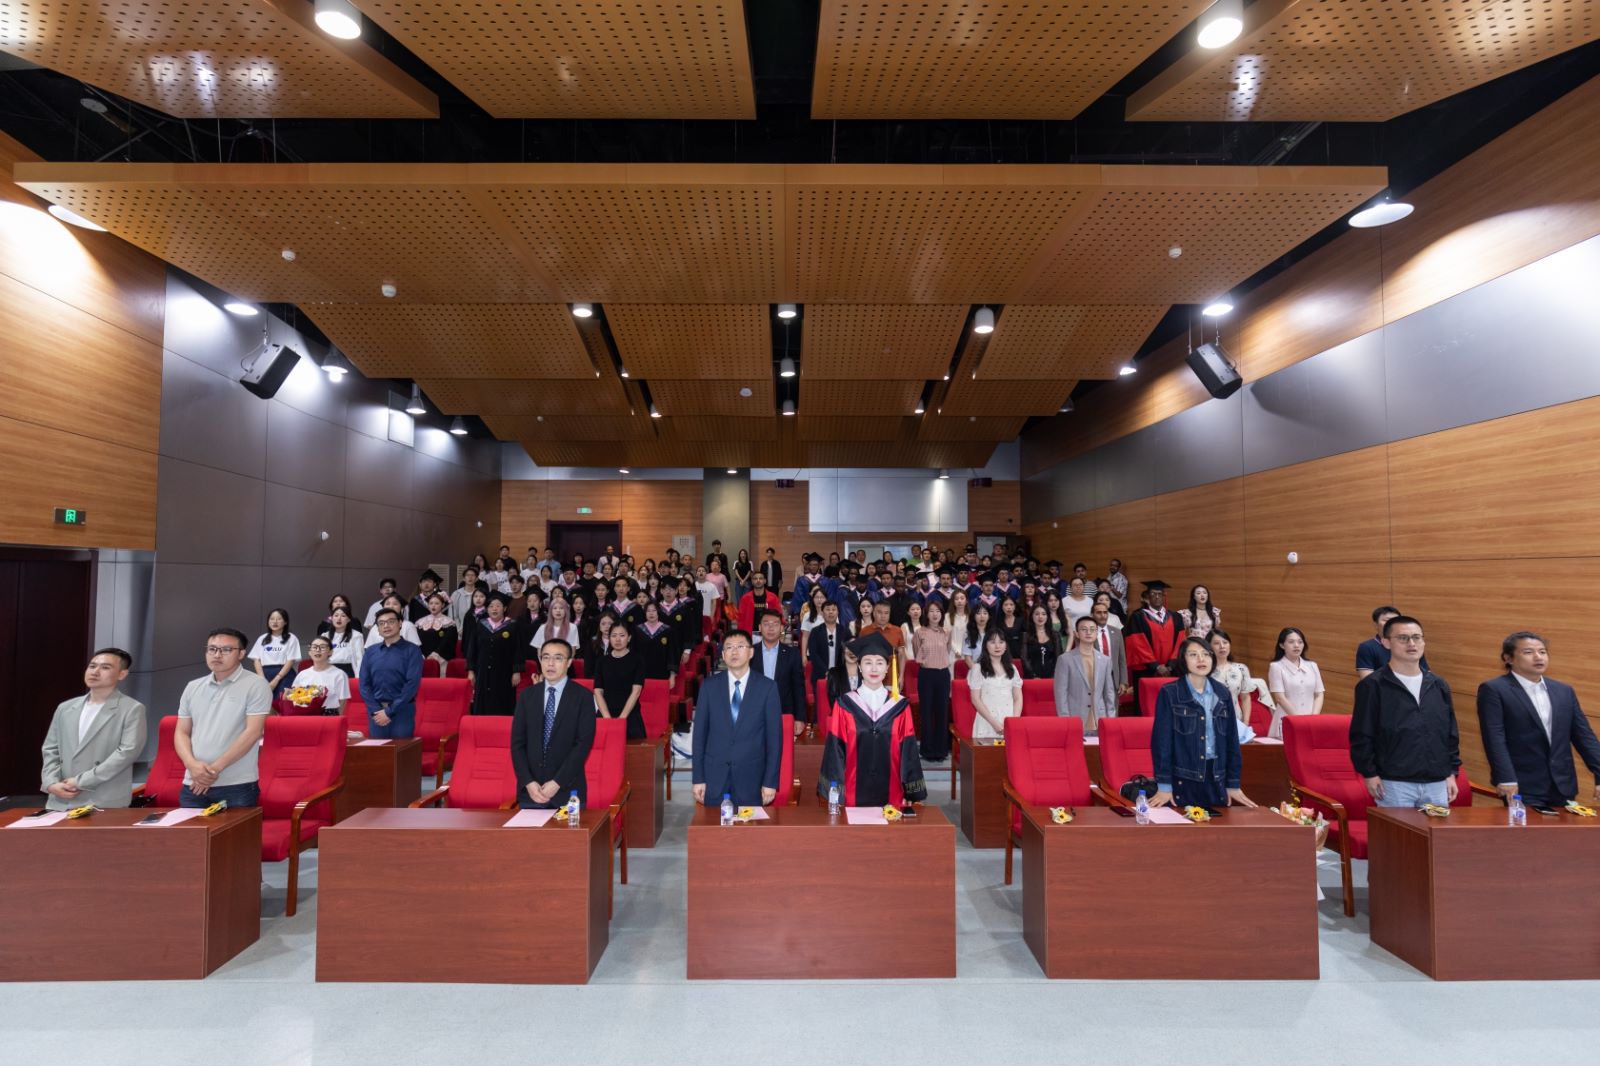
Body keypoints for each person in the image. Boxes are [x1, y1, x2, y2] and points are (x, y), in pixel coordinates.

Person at [1477, 631, 1600, 808]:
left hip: (1563, 784)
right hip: (1521, 785)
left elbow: (1584, 736)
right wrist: (1506, 777)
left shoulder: (1564, 691)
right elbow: (1494, 737)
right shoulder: (1494, 689)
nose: (1538, 657)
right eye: (1528, 652)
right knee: (1528, 827)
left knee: (1566, 827)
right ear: (1508, 658)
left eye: (1542, 652)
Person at [1350, 616, 1461, 807]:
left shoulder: (1438, 684)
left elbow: (1449, 732)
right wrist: (1369, 773)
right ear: (1386, 642)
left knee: (1437, 828)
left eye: (1417, 637)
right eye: (1403, 638)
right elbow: (1362, 734)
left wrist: (1451, 772)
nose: (1411, 643)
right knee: (1397, 829)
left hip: (1436, 782)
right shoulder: (1372, 685)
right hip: (1394, 783)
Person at [817, 633, 928, 808]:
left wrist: (910, 792)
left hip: (892, 794)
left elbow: (908, 750)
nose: (874, 669)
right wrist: (835, 793)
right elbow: (835, 751)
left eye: (880, 663)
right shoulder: (844, 704)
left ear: (887, 668)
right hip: (853, 795)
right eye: (868, 662)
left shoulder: (900, 706)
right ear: (859, 667)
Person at [1148, 637, 1257, 811]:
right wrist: (1164, 786)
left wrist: (1233, 783)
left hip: (1216, 779)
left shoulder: (1222, 693)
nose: (1201, 659)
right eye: (1193, 655)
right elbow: (1162, 743)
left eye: (1206, 654)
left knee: (1219, 828)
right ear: (1183, 659)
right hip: (1183, 780)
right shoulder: (1170, 693)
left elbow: (1232, 741)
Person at [39, 648, 148, 810]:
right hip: (60, 798)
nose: (95, 672)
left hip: (103, 799)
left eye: (105, 667)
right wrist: (50, 783)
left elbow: (127, 753)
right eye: (92, 666)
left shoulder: (132, 708)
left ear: (122, 674)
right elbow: (51, 749)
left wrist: (81, 781)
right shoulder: (65, 707)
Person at [176, 628, 272, 808]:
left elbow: (253, 732)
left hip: (236, 785)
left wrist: (213, 771)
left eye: (226, 650)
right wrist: (192, 765)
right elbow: (181, 732)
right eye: (212, 649)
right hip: (193, 783)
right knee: (190, 828)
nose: (217, 655)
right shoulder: (192, 686)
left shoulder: (256, 685)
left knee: (236, 829)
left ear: (241, 654)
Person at [691, 628, 784, 808]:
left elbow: (774, 740)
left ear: (751, 652)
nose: (734, 651)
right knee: (713, 826)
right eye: (729, 647)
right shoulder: (709, 687)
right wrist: (698, 778)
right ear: (723, 655)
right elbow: (699, 737)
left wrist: (770, 782)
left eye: (740, 646)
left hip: (751, 779)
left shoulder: (767, 688)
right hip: (714, 777)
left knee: (750, 827)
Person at [511, 639, 597, 810]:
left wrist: (557, 782)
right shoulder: (527, 696)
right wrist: (528, 782)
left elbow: (583, 745)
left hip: (568, 792)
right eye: (546, 657)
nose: (550, 663)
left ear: (569, 662)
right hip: (532, 793)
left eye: (558, 658)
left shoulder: (584, 697)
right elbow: (517, 744)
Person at [358, 607, 424, 739]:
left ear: (400, 623)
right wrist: (376, 710)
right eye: (381, 623)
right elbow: (364, 685)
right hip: (376, 713)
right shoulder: (370, 652)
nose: (386, 626)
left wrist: (389, 712)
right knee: (378, 751)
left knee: (401, 750)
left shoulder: (412, 650)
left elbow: (412, 685)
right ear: (377, 628)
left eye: (391, 621)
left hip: (402, 710)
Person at [1054, 615, 1116, 736]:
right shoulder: (1065, 659)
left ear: (1097, 633)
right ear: (1076, 633)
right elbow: (1061, 694)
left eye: (1092, 629)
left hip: (1100, 719)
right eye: (1084, 629)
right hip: (1075, 719)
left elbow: (1108, 693)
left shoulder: (1105, 660)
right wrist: (1066, 721)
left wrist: (1111, 720)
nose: (1088, 632)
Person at [468, 594, 527, 714]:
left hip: (504, 671)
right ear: (487, 609)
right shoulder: (481, 625)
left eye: (498, 606)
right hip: (483, 671)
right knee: (483, 700)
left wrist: (516, 671)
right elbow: (472, 649)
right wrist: (471, 670)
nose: (494, 609)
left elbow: (518, 649)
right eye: (491, 606)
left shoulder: (512, 625)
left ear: (504, 608)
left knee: (503, 700)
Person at [752, 608, 807, 734]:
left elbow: (798, 688)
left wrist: (799, 718)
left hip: (784, 713)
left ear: (782, 628)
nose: (771, 628)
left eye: (775, 624)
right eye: (766, 624)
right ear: (760, 627)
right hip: (754, 714)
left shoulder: (792, 654)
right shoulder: (750, 653)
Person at [913, 600, 954, 762]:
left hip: (943, 675)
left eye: (938, 611)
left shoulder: (947, 632)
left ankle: (941, 750)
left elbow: (947, 651)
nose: (935, 614)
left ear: (942, 614)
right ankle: (927, 750)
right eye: (931, 611)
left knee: (942, 712)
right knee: (927, 713)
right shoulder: (920, 632)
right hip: (926, 675)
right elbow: (917, 652)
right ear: (926, 614)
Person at [1125, 580, 1182, 690]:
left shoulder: (1176, 617)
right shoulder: (1137, 617)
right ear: (1147, 597)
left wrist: (1170, 666)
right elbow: (1137, 644)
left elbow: (1180, 642)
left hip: (1171, 670)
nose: (1156, 597)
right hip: (1146, 670)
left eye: (1159, 594)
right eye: (1153, 594)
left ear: (1164, 596)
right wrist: (1156, 666)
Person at [1267, 627, 1324, 737]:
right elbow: (1280, 698)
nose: (1296, 645)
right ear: (1282, 645)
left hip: (1311, 722)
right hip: (1287, 721)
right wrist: (1299, 721)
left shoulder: (1312, 666)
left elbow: (1319, 694)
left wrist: (1313, 718)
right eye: (1291, 642)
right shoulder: (1276, 667)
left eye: (1300, 642)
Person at [594, 622, 647, 739]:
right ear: (609, 638)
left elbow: (636, 691)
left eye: (622, 635)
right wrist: (607, 718)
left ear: (629, 638)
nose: (617, 639)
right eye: (614, 635)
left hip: (630, 716)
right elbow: (598, 691)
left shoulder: (637, 660)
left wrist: (621, 719)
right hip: (605, 714)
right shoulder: (601, 662)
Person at [968, 629, 1022, 741]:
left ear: (1006, 646)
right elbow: (975, 699)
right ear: (986, 646)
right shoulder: (978, 668)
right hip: (987, 721)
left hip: (1009, 720)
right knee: (987, 752)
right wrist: (994, 723)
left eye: (1001, 642)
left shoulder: (1012, 668)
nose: (997, 646)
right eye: (992, 642)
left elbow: (1018, 697)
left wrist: (1014, 721)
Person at [1356, 605, 1429, 680]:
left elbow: (1426, 674)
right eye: (1387, 620)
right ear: (1376, 625)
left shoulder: (1412, 645)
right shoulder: (1367, 647)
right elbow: (1368, 680)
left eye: (1396, 620)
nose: (1392, 623)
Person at [248, 608, 300, 699]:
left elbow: (290, 661)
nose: (275, 622)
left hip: (284, 675)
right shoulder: (262, 638)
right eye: (272, 619)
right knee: (265, 702)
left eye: (279, 619)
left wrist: (276, 679)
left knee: (283, 702)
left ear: (285, 622)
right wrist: (262, 679)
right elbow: (256, 660)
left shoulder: (291, 638)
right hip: (265, 674)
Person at [291, 636, 352, 714]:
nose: (318, 650)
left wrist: (338, 719)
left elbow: (342, 701)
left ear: (330, 652)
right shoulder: (302, 674)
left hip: (329, 715)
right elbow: (294, 698)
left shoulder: (339, 674)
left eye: (322, 647)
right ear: (310, 652)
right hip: (305, 715)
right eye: (314, 647)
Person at [1207, 629, 1254, 728]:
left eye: (1225, 642)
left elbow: (1245, 698)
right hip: (1212, 721)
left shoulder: (1241, 669)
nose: (1222, 646)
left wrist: (1245, 722)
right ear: (1209, 646)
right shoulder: (1204, 670)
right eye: (1216, 643)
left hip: (1237, 721)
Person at [1090, 599, 1130, 700]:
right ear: (1092, 615)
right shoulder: (1088, 632)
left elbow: (1122, 659)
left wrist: (1123, 681)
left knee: (1113, 707)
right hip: (1094, 677)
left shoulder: (1117, 632)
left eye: (1105, 612)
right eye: (1099, 613)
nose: (1103, 615)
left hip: (1113, 677)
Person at [634, 600, 680, 685]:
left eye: (654, 610)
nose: (651, 613)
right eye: (648, 611)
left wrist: (672, 676)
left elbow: (672, 654)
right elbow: (634, 653)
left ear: (658, 612)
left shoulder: (667, 630)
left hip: (662, 674)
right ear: (645, 613)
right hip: (642, 674)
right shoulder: (638, 630)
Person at [415, 592, 458, 672]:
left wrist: (436, 654)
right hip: (422, 659)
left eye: (437, 603)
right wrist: (422, 654)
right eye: (431, 603)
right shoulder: (420, 622)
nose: (433, 606)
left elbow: (448, 642)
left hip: (442, 659)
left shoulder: (449, 623)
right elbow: (417, 641)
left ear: (442, 605)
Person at [806, 599, 846, 680]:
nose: (831, 612)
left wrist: (838, 672)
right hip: (820, 675)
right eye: (828, 609)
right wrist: (826, 672)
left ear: (838, 612)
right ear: (822, 613)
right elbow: (813, 654)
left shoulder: (844, 631)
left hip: (840, 676)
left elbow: (846, 654)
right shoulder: (815, 631)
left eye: (834, 609)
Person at [323, 605, 364, 677]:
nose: (339, 618)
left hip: (348, 670)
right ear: (332, 618)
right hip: (329, 670)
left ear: (349, 619)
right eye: (336, 615)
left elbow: (359, 658)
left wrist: (358, 677)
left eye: (343, 616)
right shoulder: (325, 636)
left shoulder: (356, 636)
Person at [1021, 603, 1059, 680]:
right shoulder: (1026, 636)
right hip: (1032, 678)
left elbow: (1058, 657)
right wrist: (1033, 676)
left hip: (1052, 677)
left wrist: (1053, 675)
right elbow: (1024, 658)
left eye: (1043, 614)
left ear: (1047, 616)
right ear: (1032, 616)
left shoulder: (1054, 635)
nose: (1040, 617)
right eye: (1037, 614)